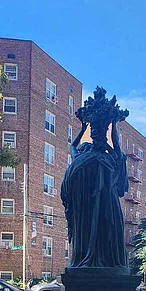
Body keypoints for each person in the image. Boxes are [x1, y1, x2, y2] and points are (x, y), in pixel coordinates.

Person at [61, 89, 129, 269]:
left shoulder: (104, 158)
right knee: (96, 230)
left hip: (104, 204)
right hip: (90, 205)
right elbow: (74, 147)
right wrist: (110, 126)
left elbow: (73, 146)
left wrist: (87, 129)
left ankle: (99, 261)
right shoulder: (101, 158)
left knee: (104, 230)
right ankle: (96, 260)